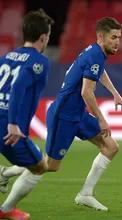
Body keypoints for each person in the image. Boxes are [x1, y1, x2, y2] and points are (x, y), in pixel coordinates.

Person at [0, 17, 122, 211]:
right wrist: (102, 120)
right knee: (50, 165)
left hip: (78, 114)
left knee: (111, 147)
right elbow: (86, 92)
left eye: (118, 37)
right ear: (101, 37)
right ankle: (6, 173)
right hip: (63, 116)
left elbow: (98, 72)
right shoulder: (95, 55)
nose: (117, 41)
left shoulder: (97, 53)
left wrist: (115, 93)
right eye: (113, 37)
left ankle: (86, 194)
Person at [0, 9, 53, 219]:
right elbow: (18, 88)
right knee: (41, 166)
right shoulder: (39, 62)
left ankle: (4, 173)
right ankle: (6, 210)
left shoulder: (6, 57)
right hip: (11, 132)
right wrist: (13, 123)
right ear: (43, 37)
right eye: (48, 35)